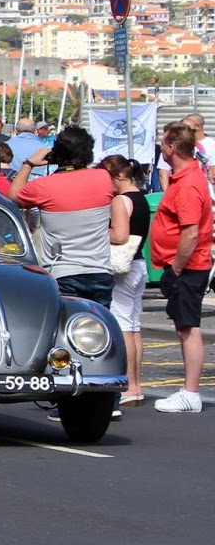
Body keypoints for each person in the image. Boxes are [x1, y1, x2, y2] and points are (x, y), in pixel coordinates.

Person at [8, 125, 116, 308]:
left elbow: (13, 196)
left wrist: (29, 164)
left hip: (62, 272)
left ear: (56, 153)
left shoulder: (43, 186)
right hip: (100, 270)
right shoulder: (104, 178)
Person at [150, 123, 210, 414]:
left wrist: (175, 268)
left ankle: (190, 392)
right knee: (184, 327)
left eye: (164, 144)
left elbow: (190, 233)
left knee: (188, 328)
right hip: (184, 265)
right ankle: (189, 390)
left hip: (187, 267)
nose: (162, 148)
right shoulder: (185, 177)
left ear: (172, 148)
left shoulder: (187, 184)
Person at [100, 155, 148, 409]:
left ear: (118, 176)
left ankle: (128, 385)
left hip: (123, 267)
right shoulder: (140, 197)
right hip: (139, 263)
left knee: (123, 325)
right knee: (135, 325)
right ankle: (136, 385)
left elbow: (120, 235)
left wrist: (98, 228)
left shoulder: (121, 200)